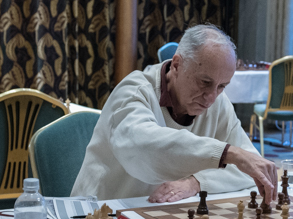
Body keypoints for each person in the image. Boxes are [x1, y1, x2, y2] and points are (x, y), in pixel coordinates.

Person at [71, 24, 278, 203]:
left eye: (222, 86)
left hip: (162, 214)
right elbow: (145, 150)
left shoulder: (217, 102)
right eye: (204, 82)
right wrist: (227, 153)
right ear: (177, 64)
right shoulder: (134, 91)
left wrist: (195, 182)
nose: (211, 97)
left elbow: (250, 167)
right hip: (102, 213)